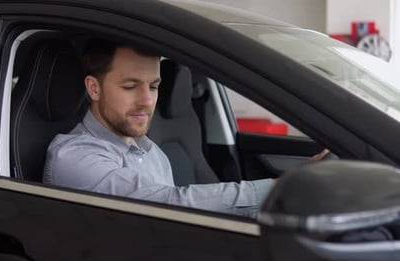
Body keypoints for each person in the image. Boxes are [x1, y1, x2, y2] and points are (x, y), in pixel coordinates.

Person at [43, 39, 295, 217]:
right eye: (130, 86)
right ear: (94, 88)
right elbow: (168, 204)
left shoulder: (151, 152)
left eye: (153, 86)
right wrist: (278, 191)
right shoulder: (73, 156)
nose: (147, 100)